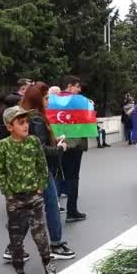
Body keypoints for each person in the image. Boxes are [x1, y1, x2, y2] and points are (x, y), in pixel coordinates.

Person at [0, 106, 57, 274]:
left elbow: (42, 166)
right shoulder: (3, 146)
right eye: (20, 122)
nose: (26, 125)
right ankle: (20, 273)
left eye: (27, 121)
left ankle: (48, 266)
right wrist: (8, 193)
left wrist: (39, 188)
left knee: (40, 234)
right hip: (15, 200)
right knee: (16, 238)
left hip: (34, 196)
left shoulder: (34, 142)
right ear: (9, 127)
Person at [59, 75, 88, 222]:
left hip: (60, 143)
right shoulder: (77, 102)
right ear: (69, 86)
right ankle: (72, 211)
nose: (79, 89)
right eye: (77, 86)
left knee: (61, 176)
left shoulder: (55, 100)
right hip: (74, 144)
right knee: (73, 178)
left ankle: (59, 208)